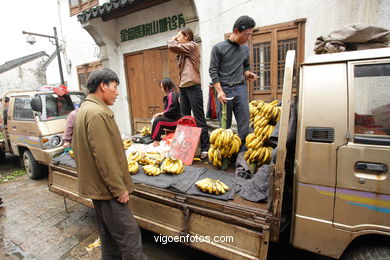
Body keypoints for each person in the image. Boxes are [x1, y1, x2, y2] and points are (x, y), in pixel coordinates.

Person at [72, 68, 146, 260]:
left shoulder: (85, 109)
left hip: (98, 188)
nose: (117, 92)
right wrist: (118, 188)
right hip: (108, 190)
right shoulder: (97, 113)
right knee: (130, 237)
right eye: (114, 86)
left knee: (109, 237)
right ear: (103, 86)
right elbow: (104, 157)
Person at [209, 15, 258, 147]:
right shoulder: (218, 48)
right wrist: (219, 91)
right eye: (246, 34)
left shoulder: (245, 49)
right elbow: (213, 71)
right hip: (224, 90)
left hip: (240, 89)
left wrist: (248, 74)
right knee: (225, 127)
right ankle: (225, 156)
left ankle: (241, 155)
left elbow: (245, 66)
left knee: (244, 124)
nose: (248, 38)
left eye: (250, 34)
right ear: (236, 31)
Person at [168, 27, 210, 158]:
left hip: (193, 86)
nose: (178, 38)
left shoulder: (192, 46)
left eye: (180, 36)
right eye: (177, 36)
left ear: (187, 36)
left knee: (198, 117)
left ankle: (205, 148)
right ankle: (185, 149)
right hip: (184, 87)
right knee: (184, 118)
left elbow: (172, 46)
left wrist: (173, 39)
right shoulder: (182, 52)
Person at [151, 78, 181, 146]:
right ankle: (157, 140)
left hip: (176, 121)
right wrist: (162, 114)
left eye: (162, 87)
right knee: (158, 120)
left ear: (166, 87)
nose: (161, 89)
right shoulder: (172, 94)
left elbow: (171, 109)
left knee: (158, 121)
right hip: (174, 119)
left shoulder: (172, 95)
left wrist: (160, 114)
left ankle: (156, 142)